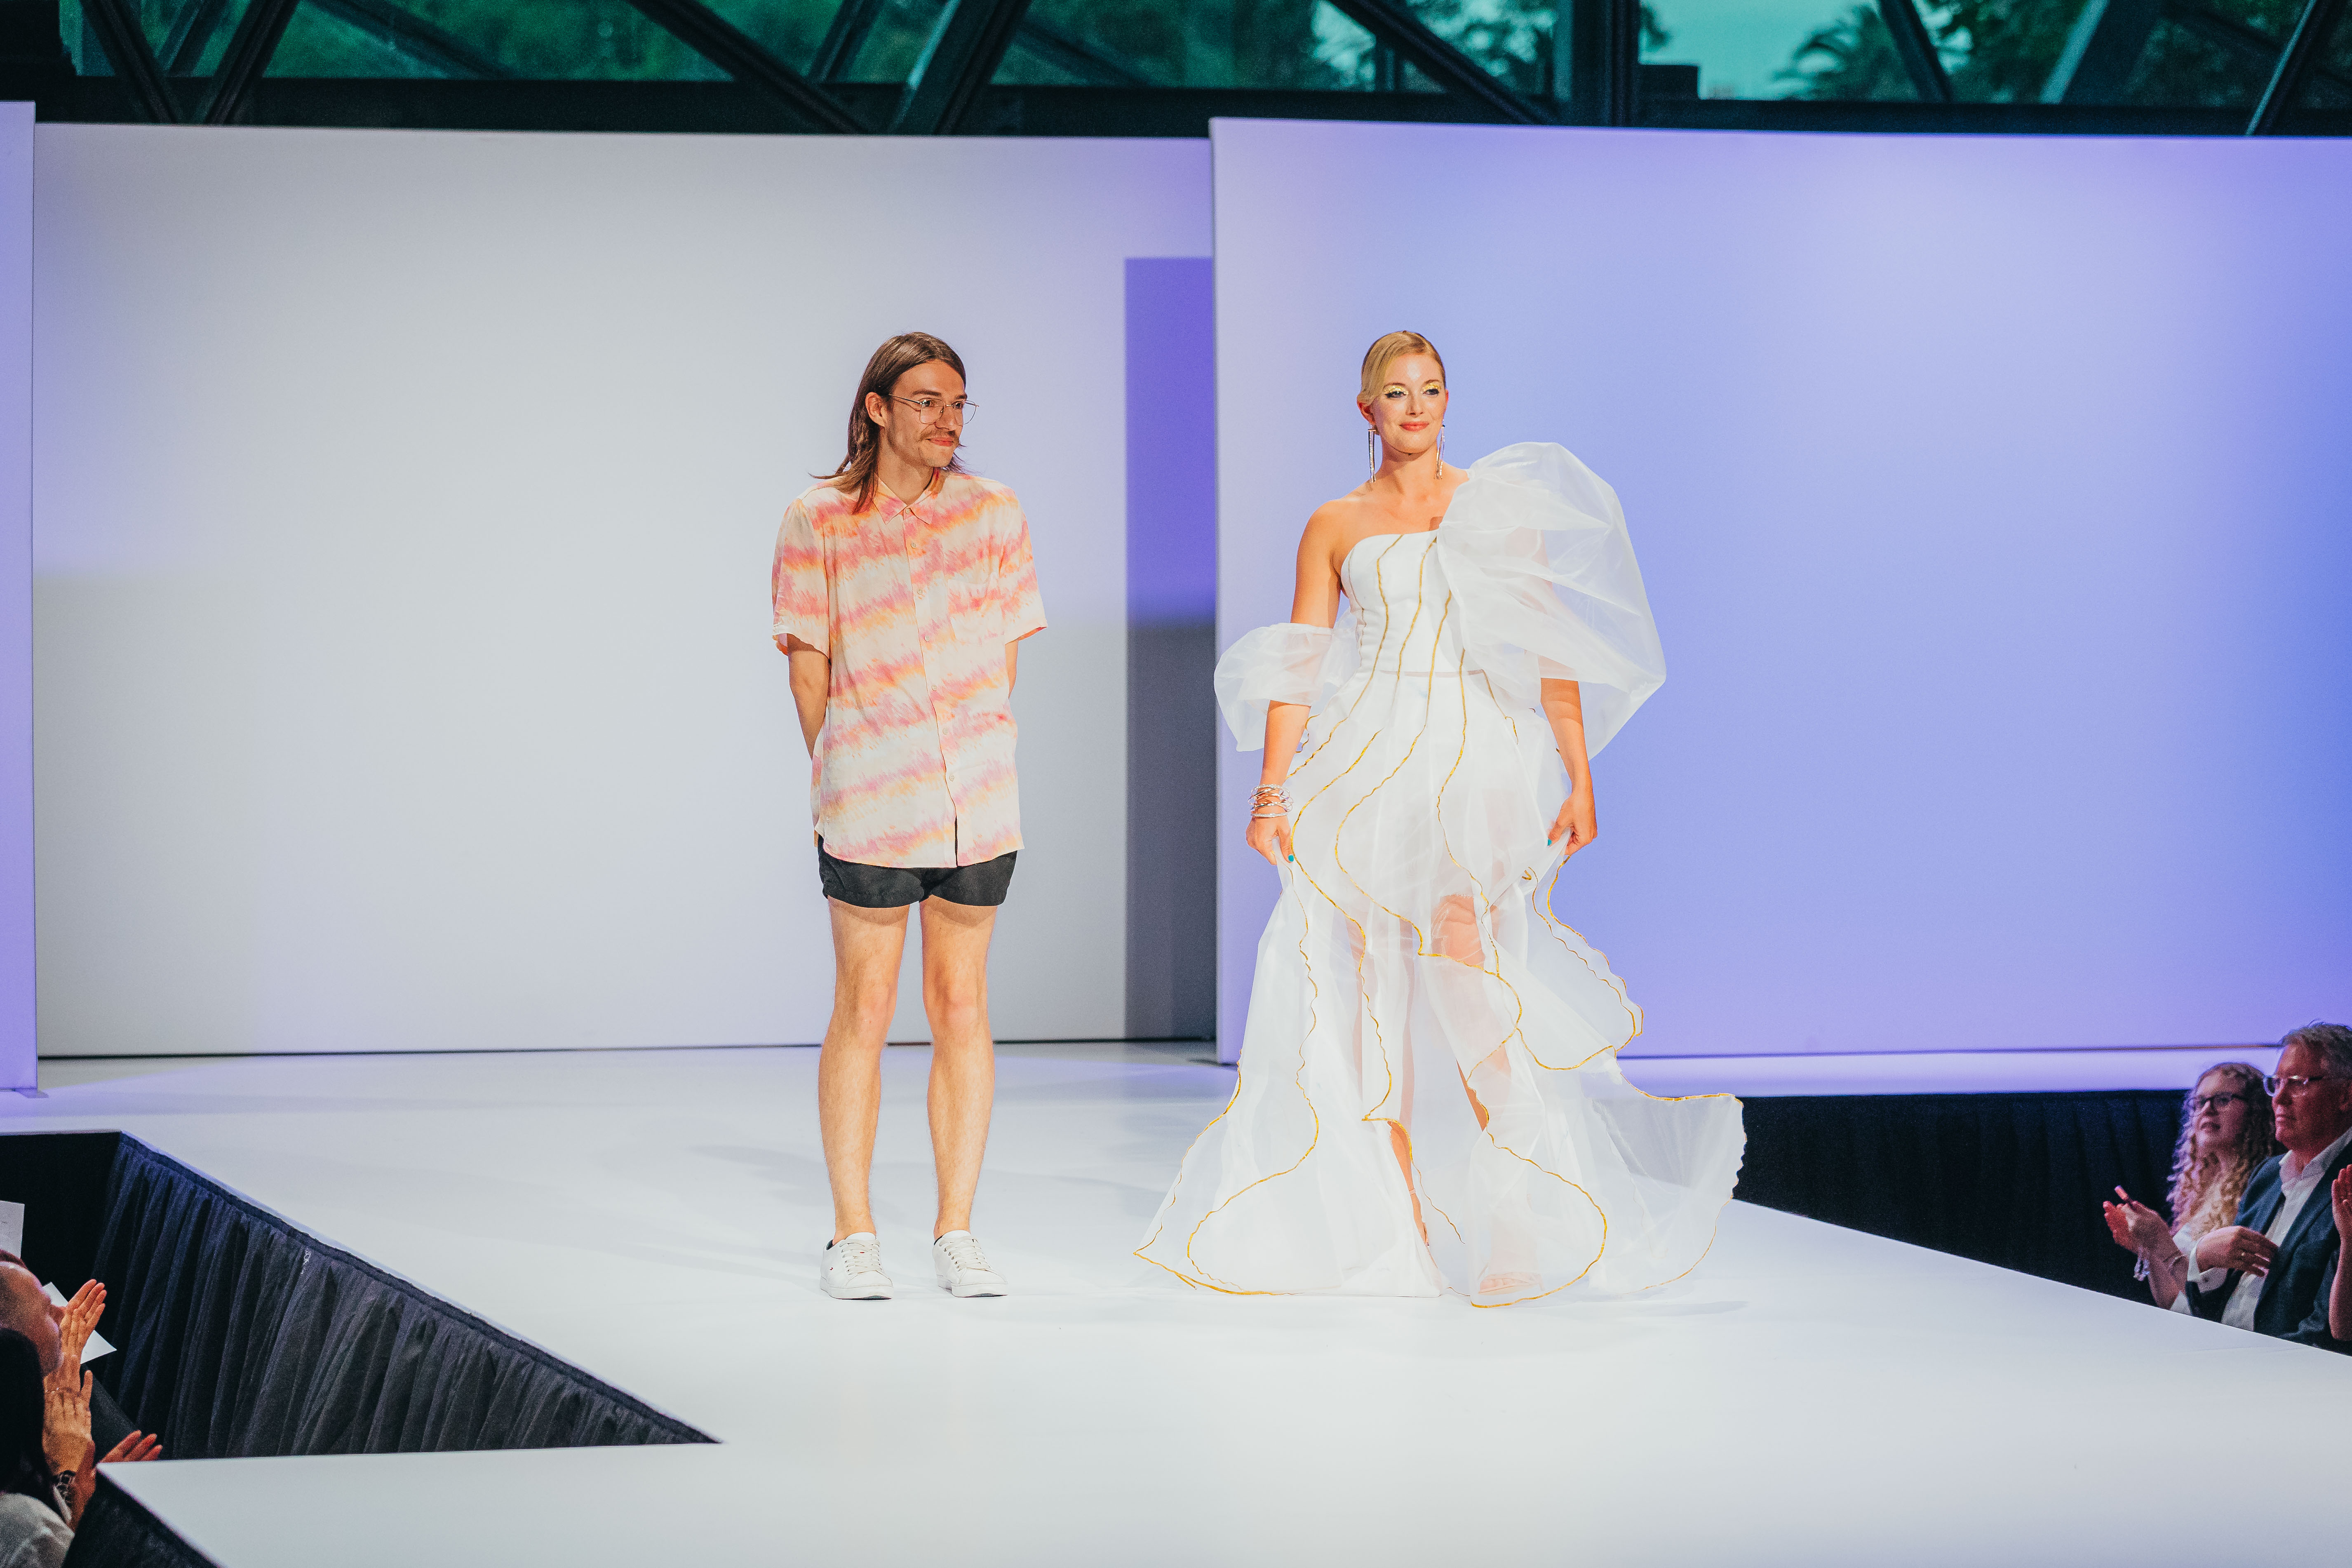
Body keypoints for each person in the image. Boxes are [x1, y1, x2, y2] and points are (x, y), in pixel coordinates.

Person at [1136, 331, 1745, 1303]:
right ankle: (1401, 1228)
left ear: (1448, 400)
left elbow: (1547, 650)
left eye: (1428, 390)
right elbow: (1300, 661)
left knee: (1467, 973)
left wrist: (1580, 775)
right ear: (1366, 408)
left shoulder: (1496, 512)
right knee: (1375, 995)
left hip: (1475, 756)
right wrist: (1270, 792)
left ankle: (1513, 1216)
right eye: (1395, 392)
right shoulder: (1334, 523)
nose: (1414, 407)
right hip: (1369, 760)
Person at [772, 332, 1046, 1302]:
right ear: (879, 407)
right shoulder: (819, 519)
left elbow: (1003, 654)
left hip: (977, 794)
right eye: (927, 401)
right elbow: (808, 665)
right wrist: (851, 763)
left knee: (962, 1003)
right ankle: (853, 1232)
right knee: (865, 1003)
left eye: (958, 404)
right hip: (871, 795)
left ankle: (956, 1229)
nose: (947, 421)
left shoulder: (994, 511)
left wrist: (970, 746)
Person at [2178, 1023, 2352, 1348]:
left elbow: (2326, 1335)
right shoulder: (2268, 1174)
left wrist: (2241, 1360)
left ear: (2345, 1095)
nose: (2280, 1098)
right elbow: (2207, 1308)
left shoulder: (2347, 1183)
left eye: (2297, 1083)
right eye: (2277, 1083)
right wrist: (2203, 1261)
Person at [2101, 1063, 2278, 1307]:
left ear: (2256, 1111)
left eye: (2223, 1100)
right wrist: (2150, 1247)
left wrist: (2161, 1242)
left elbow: (2216, 1303)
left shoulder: (2264, 1188)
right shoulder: (2204, 1191)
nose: (2207, 1110)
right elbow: (2173, 1301)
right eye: (2201, 1102)